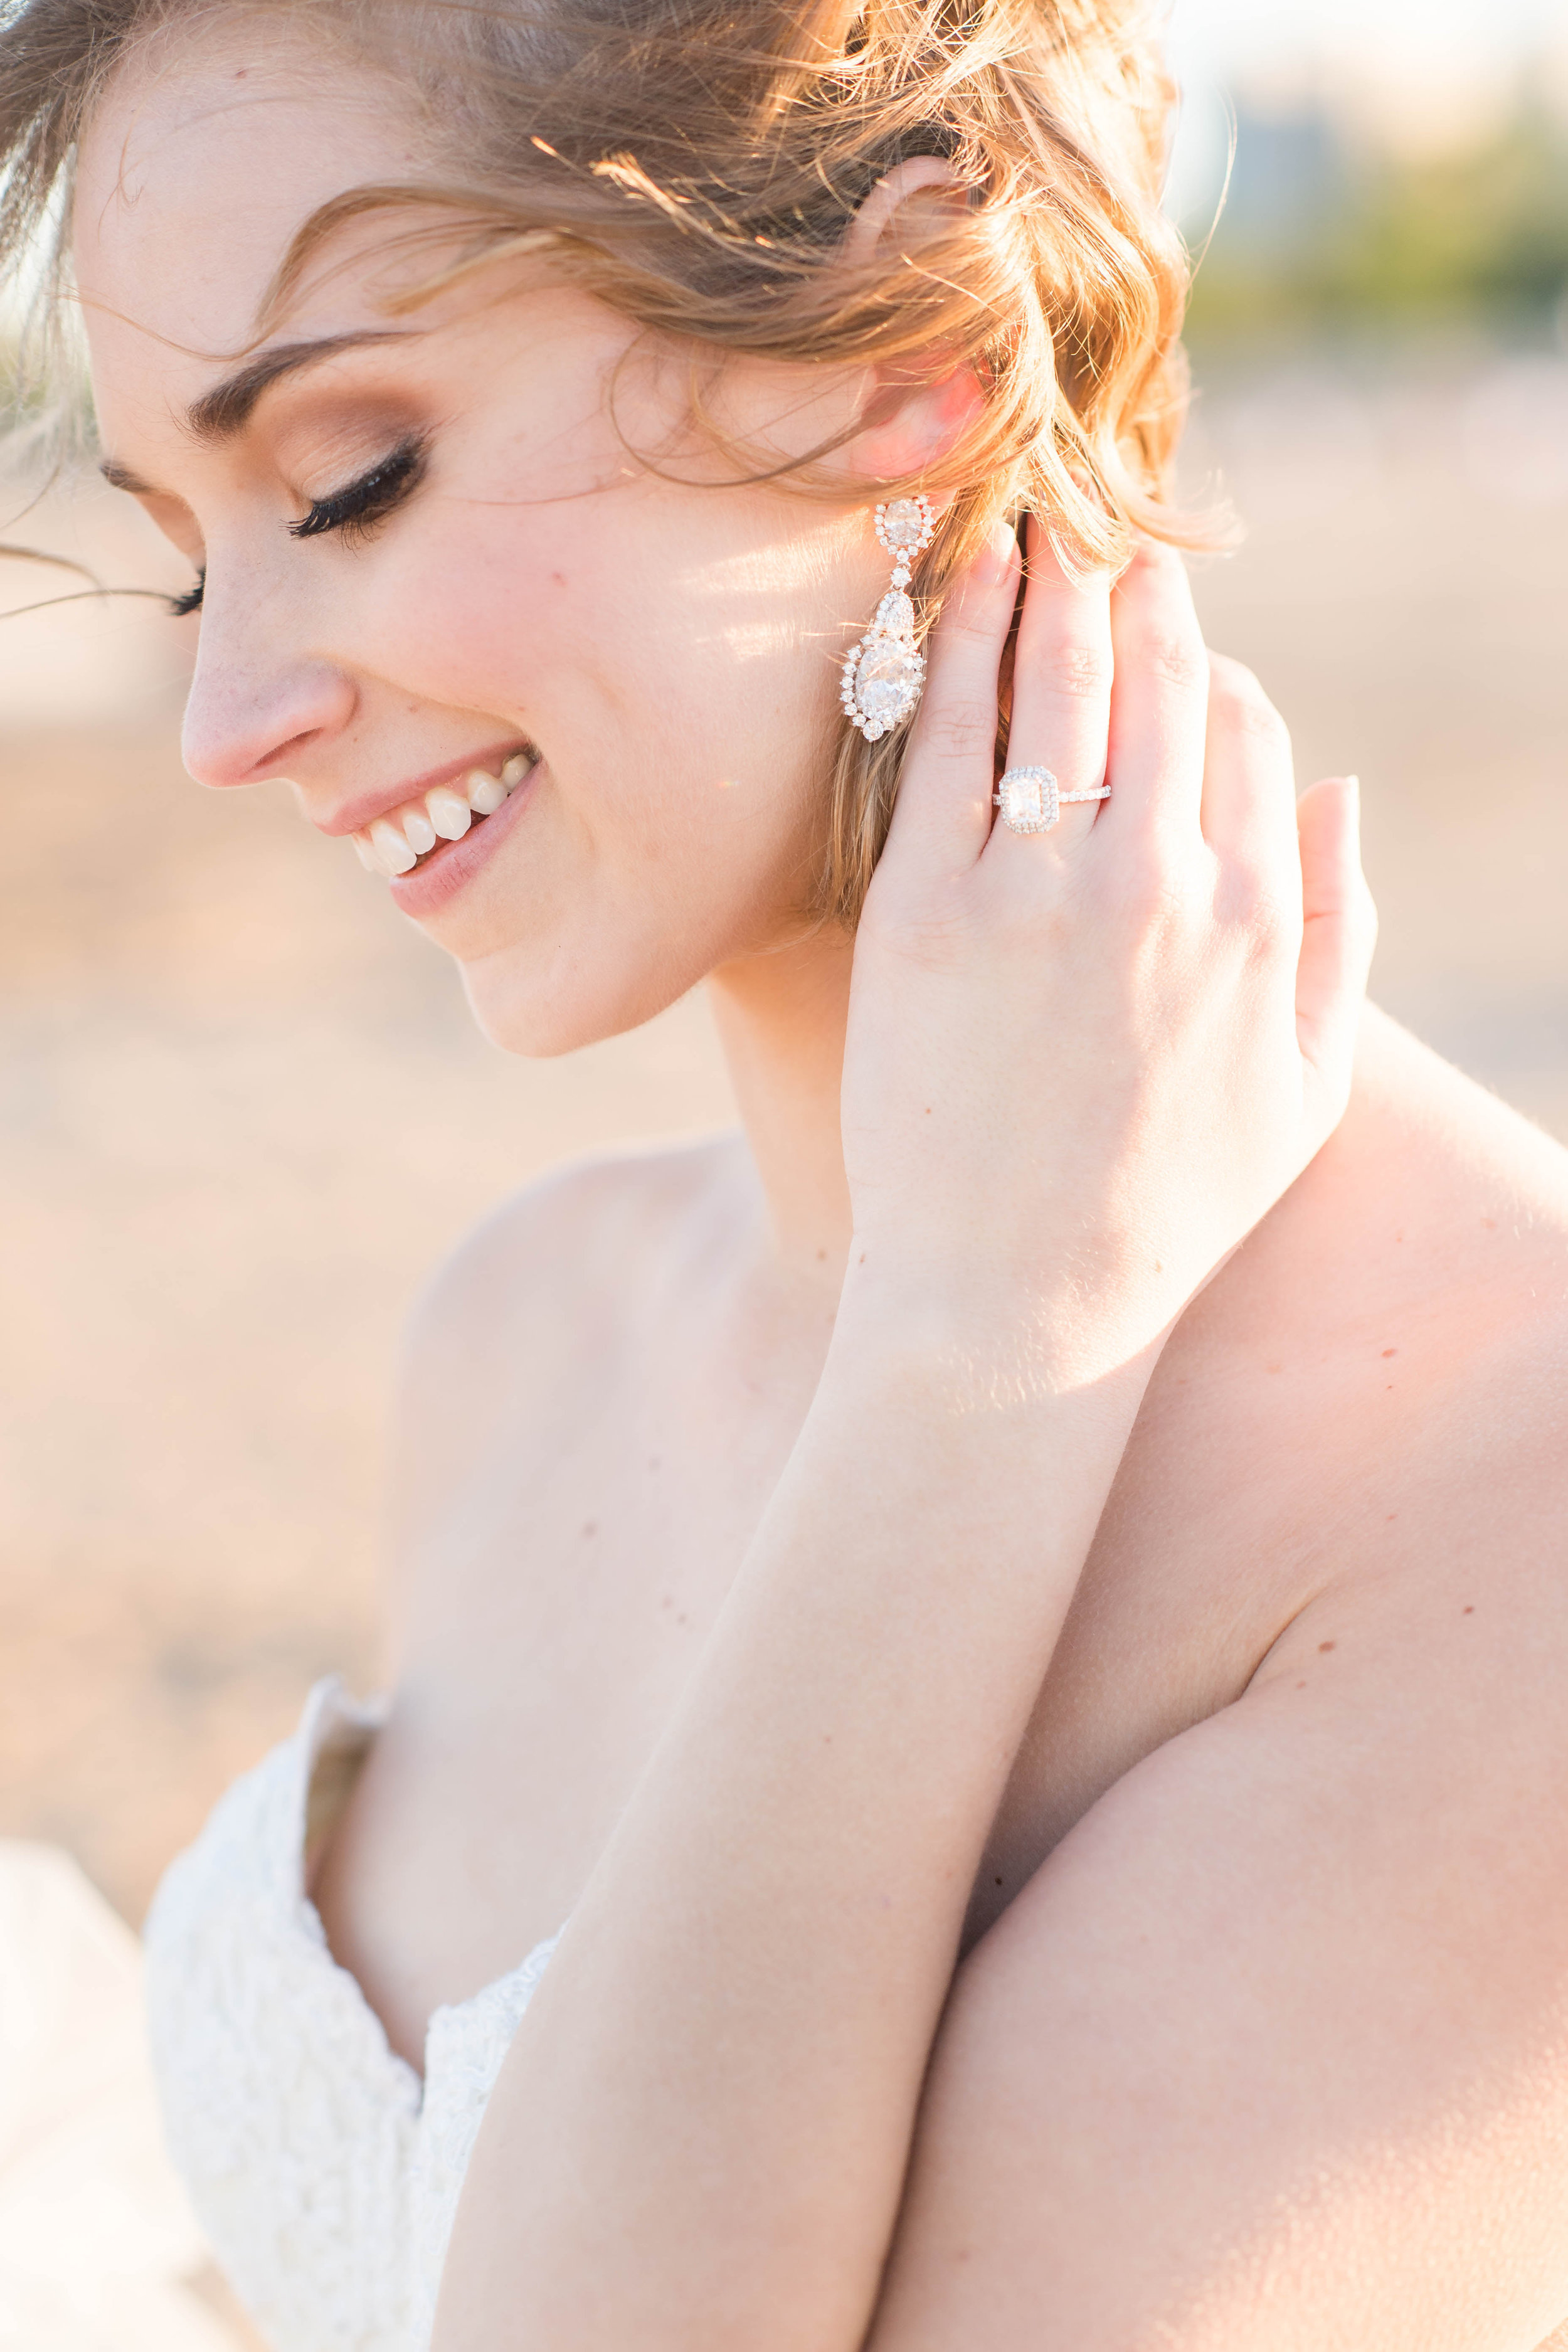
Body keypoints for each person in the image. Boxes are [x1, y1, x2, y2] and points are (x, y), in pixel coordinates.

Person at [3, 2, 1566, 2346]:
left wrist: (975, 1368)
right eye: (185, 568)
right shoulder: (527, 1324)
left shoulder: (1497, 1492)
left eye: (347, 480)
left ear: (894, 369)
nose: (227, 724)